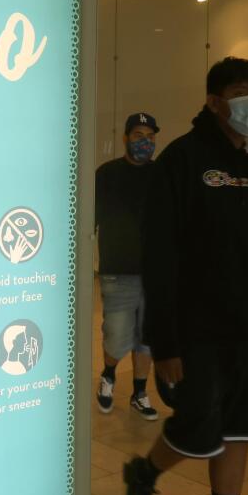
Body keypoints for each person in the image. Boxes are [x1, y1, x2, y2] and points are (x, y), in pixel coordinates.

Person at [122, 57, 248, 495]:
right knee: (197, 428)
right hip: (196, 328)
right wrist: (164, 342)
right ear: (214, 101)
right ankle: (145, 472)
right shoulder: (183, 160)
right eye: (243, 92)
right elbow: (159, 256)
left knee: (241, 430)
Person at [94, 113, 160, 420]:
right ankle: (108, 375)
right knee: (118, 334)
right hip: (117, 269)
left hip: (155, 272)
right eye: (138, 135)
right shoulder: (106, 174)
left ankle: (139, 392)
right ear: (125, 138)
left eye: (149, 135)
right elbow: (89, 221)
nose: (144, 141)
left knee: (146, 338)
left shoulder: (162, 175)